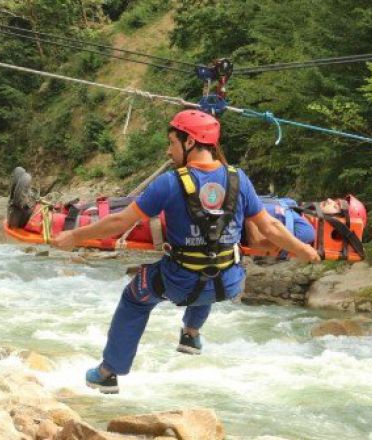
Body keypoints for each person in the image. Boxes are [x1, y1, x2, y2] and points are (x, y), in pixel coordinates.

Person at [51, 109, 320, 394]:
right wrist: (305, 250)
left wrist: (74, 236)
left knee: (135, 298)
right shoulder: (239, 179)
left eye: (172, 143)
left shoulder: (169, 183)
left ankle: (107, 373)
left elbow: (119, 222)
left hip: (179, 283)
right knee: (211, 263)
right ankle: (191, 334)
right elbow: (271, 228)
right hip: (228, 284)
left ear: (190, 142)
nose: (169, 151)